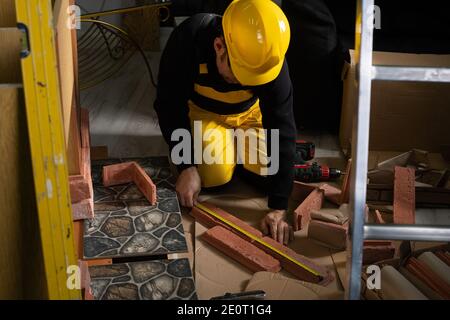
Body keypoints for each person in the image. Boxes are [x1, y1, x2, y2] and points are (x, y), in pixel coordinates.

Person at [155, 0, 296, 244]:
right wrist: (186, 165)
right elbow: (169, 105)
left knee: (268, 175)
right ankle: (226, 152)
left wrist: (279, 207)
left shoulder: (268, 60)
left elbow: (282, 124)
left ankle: (237, 149)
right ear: (219, 46)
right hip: (205, 112)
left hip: (250, 114)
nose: (245, 83)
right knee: (212, 177)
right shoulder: (188, 38)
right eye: (239, 77)